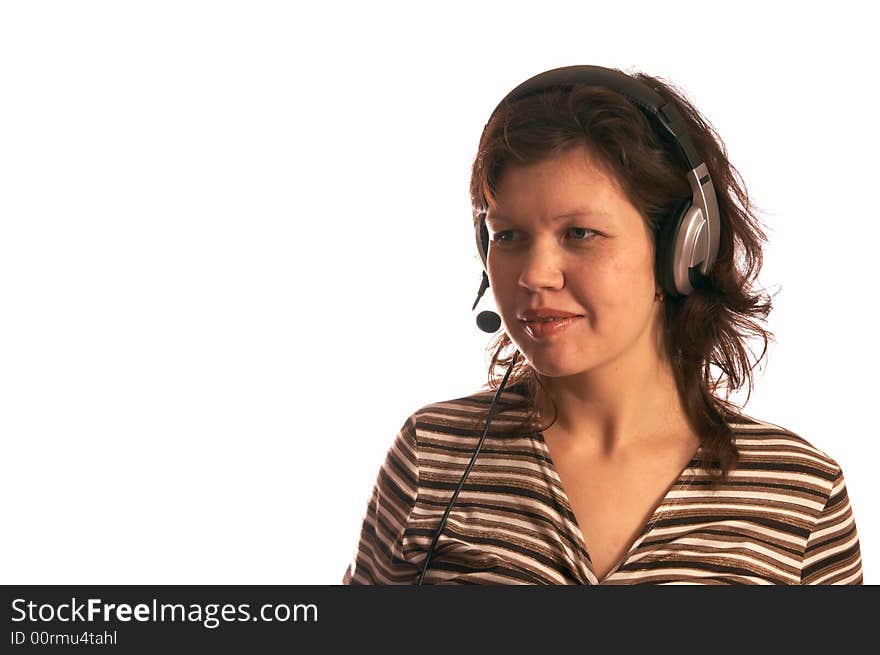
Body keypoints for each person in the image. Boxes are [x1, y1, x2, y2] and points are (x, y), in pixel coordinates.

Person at [341, 65, 864, 585]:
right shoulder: (430, 455)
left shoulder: (802, 493)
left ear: (679, 253)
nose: (534, 275)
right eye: (507, 236)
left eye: (581, 233)